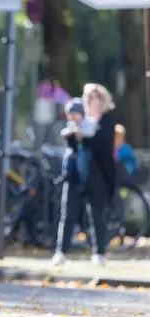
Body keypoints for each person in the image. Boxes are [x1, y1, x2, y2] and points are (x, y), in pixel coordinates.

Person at [53, 84, 116, 267]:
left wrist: (84, 135)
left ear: (103, 100)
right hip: (75, 174)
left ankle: (99, 253)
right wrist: (72, 136)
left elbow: (103, 147)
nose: (91, 101)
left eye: (95, 98)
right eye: (88, 98)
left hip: (97, 175)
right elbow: (72, 146)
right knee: (68, 213)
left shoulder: (106, 121)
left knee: (97, 214)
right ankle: (61, 251)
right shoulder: (79, 119)